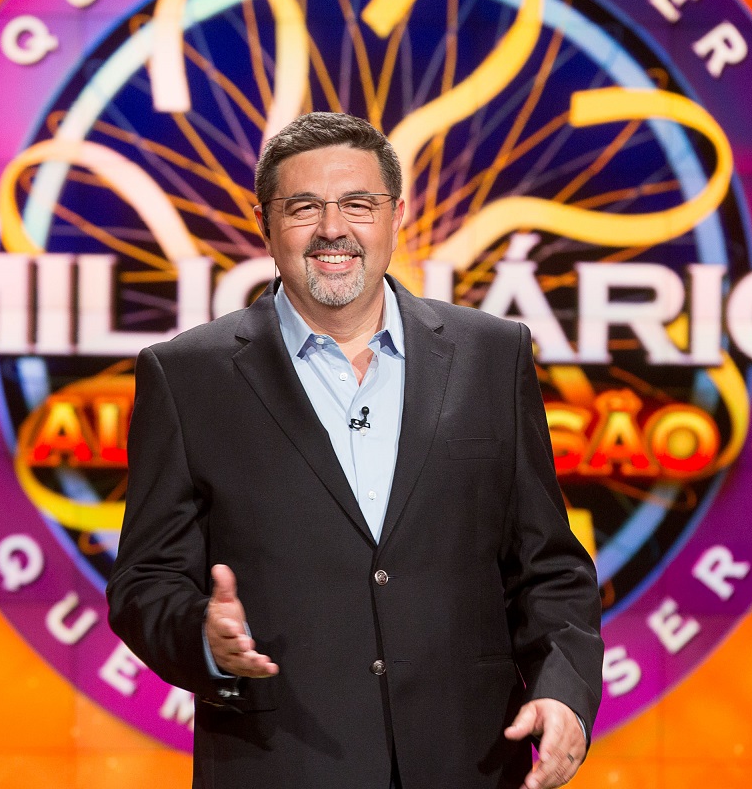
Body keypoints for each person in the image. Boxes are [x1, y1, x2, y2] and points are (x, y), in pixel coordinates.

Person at [107, 112, 603, 789]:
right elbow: (144, 582)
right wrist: (203, 636)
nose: (332, 228)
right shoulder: (188, 375)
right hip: (282, 764)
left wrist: (565, 690)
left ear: (395, 217)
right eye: (303, 207)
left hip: (472, 762)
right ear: (265, 224)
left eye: (358, 205)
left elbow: (548, 567)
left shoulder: (492, 355)